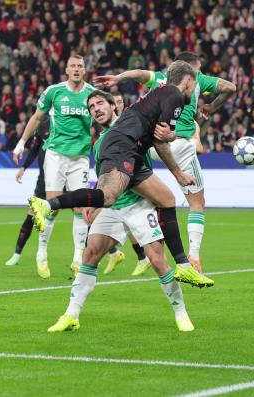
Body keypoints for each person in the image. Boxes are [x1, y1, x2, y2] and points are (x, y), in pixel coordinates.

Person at [29, 62, 214, 288]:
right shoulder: (174, 94)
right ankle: (47, 205)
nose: (194, 91)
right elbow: (162, 136)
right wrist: (175, 151)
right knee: (108, 197)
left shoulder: (162, 93)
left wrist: (176, 167)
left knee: (167, 199)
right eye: (193, 84)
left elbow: (159, 135)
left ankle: (184, 267)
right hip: (124, 144)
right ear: (187, 80)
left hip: (128, 145)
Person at [48, 91, 195, 333]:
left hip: (138, 202)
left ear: (114, 105)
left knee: (158, 260)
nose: (96, 108)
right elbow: (106, 178)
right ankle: (71, 314)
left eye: (100, 103)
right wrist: (95, 203)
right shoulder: (99, 142)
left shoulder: (133, 124)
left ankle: (181, 312)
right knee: (90, 254)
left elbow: (159, 137)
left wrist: (175, 134)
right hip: (113, 205)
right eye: (91, 106)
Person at [93, 52, 237, 272]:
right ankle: (193, 257)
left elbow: (140, 73)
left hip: (150, 146)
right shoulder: (199, 80)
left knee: (136, 192)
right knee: (197, 203)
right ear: (192, 70)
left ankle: (120, 221)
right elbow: (230, 88)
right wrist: (212, 107)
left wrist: (119, 77)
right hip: (175, 145)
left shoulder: (161, 77)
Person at [12, 54, 95, 278]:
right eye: (73, 66)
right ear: (67, 70)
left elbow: (104, 121)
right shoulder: (54, 91)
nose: (76, 69)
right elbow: (37, 118)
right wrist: (21, 143)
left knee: (81, 208)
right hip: (56, 156)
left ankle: (78, 257)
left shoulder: (92, 95)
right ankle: (41, 254)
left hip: (80, 159)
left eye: (80, 65)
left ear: (84, 70)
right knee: (52, 207)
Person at [102, 92, 151, 276]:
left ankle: (141, 257)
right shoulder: (107, 129)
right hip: (117, 179)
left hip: (133, 179)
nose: (118, 104)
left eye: (120, 101)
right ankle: (127, 256)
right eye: (115, 101)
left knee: (130, 223)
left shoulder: (132, 123)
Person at [4, 116, 49, 266]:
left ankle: (111, 252)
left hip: (66, 177)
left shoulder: (67, 121)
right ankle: (16, 255)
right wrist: (23, 167)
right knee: (31, 215)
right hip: (44, 180)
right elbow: (35, 149)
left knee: (82, 212)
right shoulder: (43, 124)